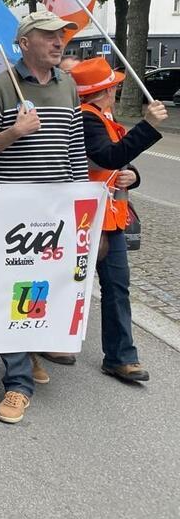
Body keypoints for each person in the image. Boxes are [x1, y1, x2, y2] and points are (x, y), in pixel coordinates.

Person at [0, 10, 87, 424]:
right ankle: (18, 383)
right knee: (8, 291)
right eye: (49, 36)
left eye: (62, 37)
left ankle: (29, 347)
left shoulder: (68, 86)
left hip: (53, 212)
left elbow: (73, 149)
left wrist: (81, 203)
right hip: (9, 212)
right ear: (24, 43)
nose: (59, 43)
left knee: (38, 287)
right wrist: (14, 133)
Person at [69, 57, 167, 382]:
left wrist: (133, 176)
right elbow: (108, 156)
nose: (116, 90)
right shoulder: (88, 118)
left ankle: (121, 356)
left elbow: (115, 162)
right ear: (104, 91)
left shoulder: (100, 117)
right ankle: (55, 341)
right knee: (76, 285)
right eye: (113, 86)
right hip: (86, 218)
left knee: (116, 287)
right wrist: (148, 125)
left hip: (108, 217)